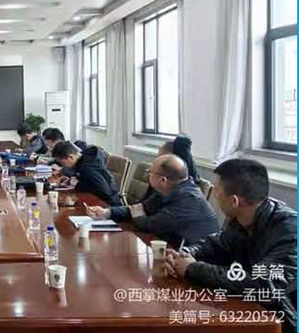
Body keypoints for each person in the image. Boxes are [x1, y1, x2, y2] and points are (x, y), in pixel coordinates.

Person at [164, 159, 297, 331]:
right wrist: (183, 254)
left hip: (281, 321)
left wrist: (192, 268)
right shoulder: (242, 219)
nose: (215, 196)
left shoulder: (290, 231)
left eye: (217, 191)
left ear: (234, 201)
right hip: (247, 310)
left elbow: (264, 285)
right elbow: (214, 244)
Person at [88, 155, 220, 246]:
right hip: (171, 245)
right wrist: (107, 212)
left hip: (195, 256)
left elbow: (151, 225)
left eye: (150, 172)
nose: (147, 174)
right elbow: (140, 208)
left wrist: (138, 214)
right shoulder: (169, 189)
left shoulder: (189, 200)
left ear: (163, 180)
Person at [52, 141, 120, 206]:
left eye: (61, 162)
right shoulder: (84, 159)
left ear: (71, 157)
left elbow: (104, 192)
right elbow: (89, 182)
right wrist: (72, 180)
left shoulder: (88, 168)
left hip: (106, 205)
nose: (62, 166)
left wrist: (77, 185)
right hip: (95, 201)